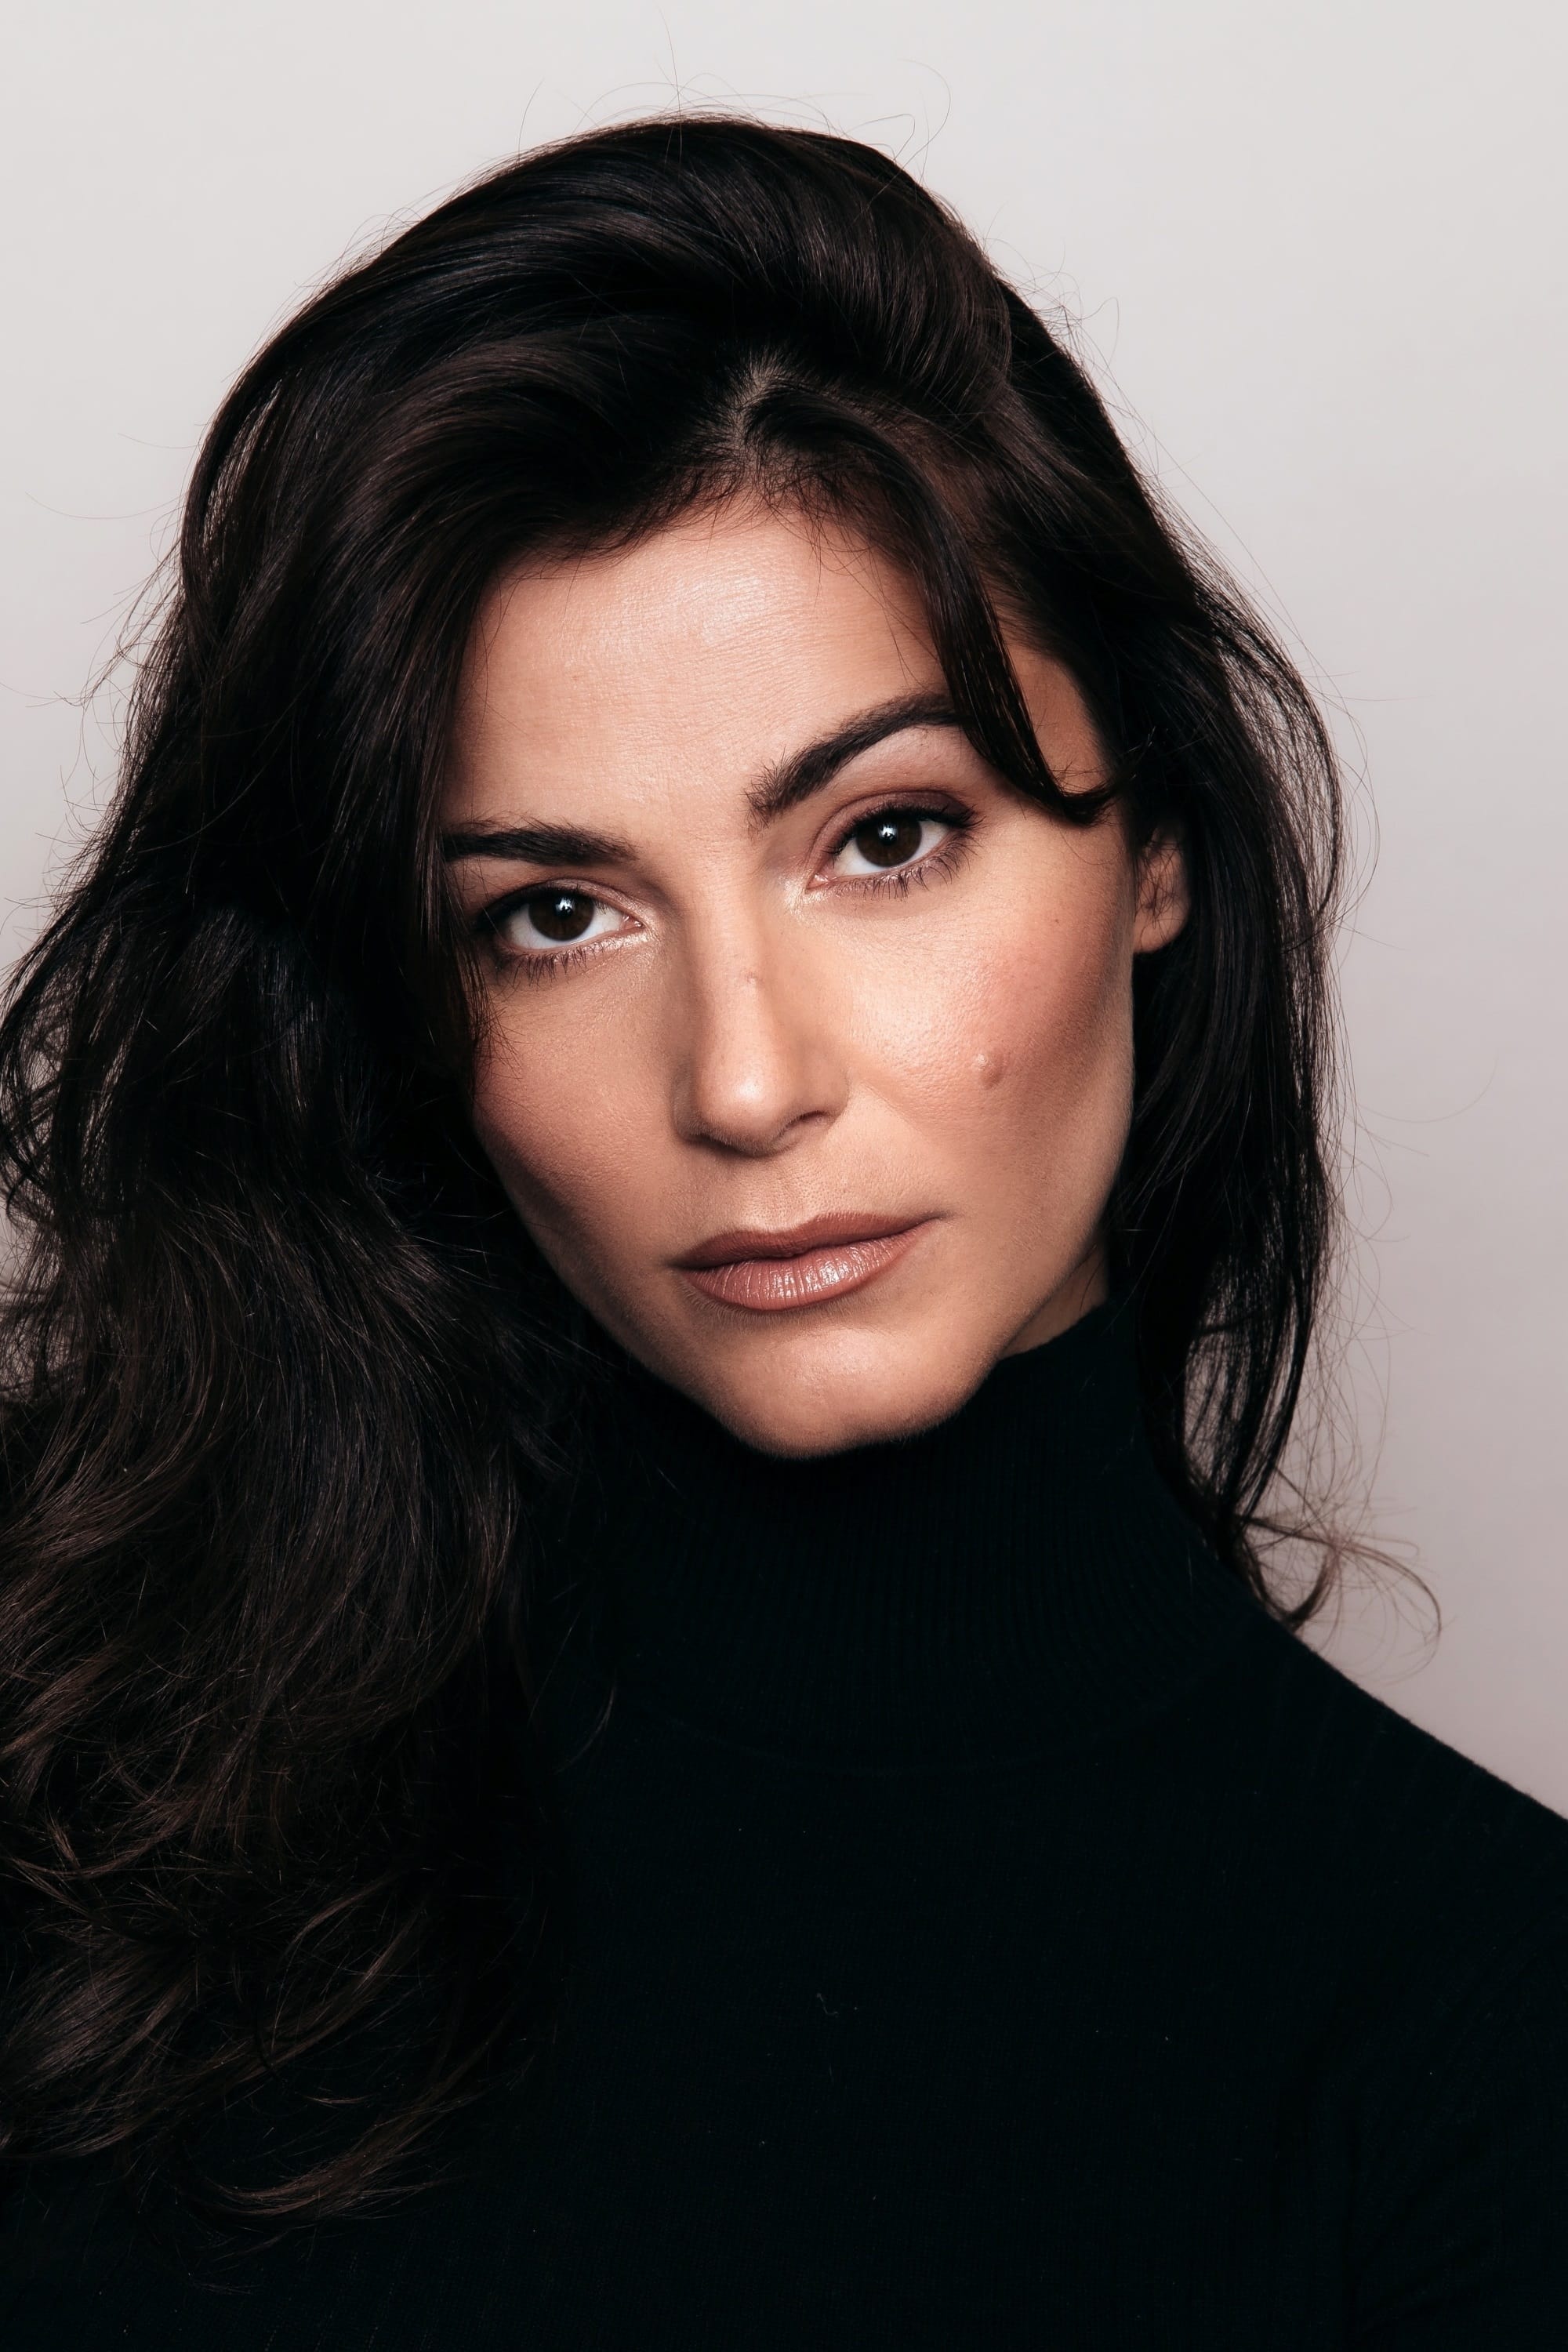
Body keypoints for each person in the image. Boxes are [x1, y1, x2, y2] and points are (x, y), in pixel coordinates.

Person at [0, 115, 1564, 2350]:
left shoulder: (1481, 2034)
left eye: (887, 838)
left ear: (1153, 849)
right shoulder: (90, 1806)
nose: (742, 1084)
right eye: (556, 914)